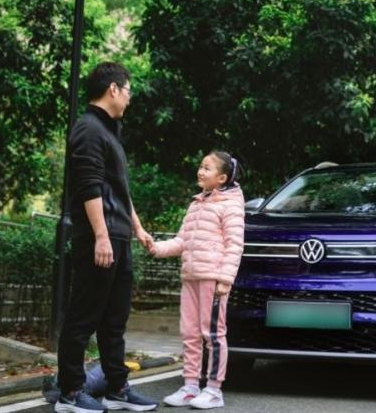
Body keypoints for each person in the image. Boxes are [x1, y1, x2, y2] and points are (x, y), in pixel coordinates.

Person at [55, 62, 158, 413]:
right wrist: (100, 236)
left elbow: (119, 190)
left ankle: (117, 388)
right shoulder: (88, 129)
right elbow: (89, 186)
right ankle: (70, 393)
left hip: (118, 237)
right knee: (83, 316)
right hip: (99, 239)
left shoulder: (109, 132)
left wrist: (138, 229)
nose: (129, 98)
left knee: (114, 321)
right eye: (128, 91)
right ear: (113, 89)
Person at [149, 151, 245, 410]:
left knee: (212, 334)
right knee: (189, 333)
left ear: (222, 178)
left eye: (207, 168)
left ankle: (213, 390)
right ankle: (191, 386)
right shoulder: (196, 204)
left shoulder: (231, 205)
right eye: (200, 166)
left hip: (213, 279)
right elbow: (182, 240)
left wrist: (225, 279)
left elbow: (235, 245)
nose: (200, 171)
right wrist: (156, 247)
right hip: (191, 276)